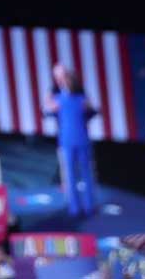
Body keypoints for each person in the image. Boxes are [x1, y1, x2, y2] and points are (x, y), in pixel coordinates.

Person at [42, 64, 97, 217]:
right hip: (71, 140)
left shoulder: (74, 98)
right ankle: (78, 206)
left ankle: (84, 206)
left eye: (64, 77)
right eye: (58, 77)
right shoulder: (64, 98)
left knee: (81, 174)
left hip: (76, 140)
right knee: (73, 175)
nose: (61, 81)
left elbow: (90, 110)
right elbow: (47, 109)